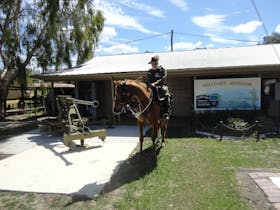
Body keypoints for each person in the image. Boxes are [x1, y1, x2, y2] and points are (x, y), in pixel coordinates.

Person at [146, 55, 171, 120]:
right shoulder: (149, 71)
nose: (153, 64)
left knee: (166, 95)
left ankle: (166, 113)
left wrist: (155, 83)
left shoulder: (162, 70)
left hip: (161, 86)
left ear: (157, 62)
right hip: (151, 87)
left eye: (154, 63)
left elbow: (163, 78)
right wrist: (150, 84)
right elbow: (148, 79)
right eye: (152, 63)